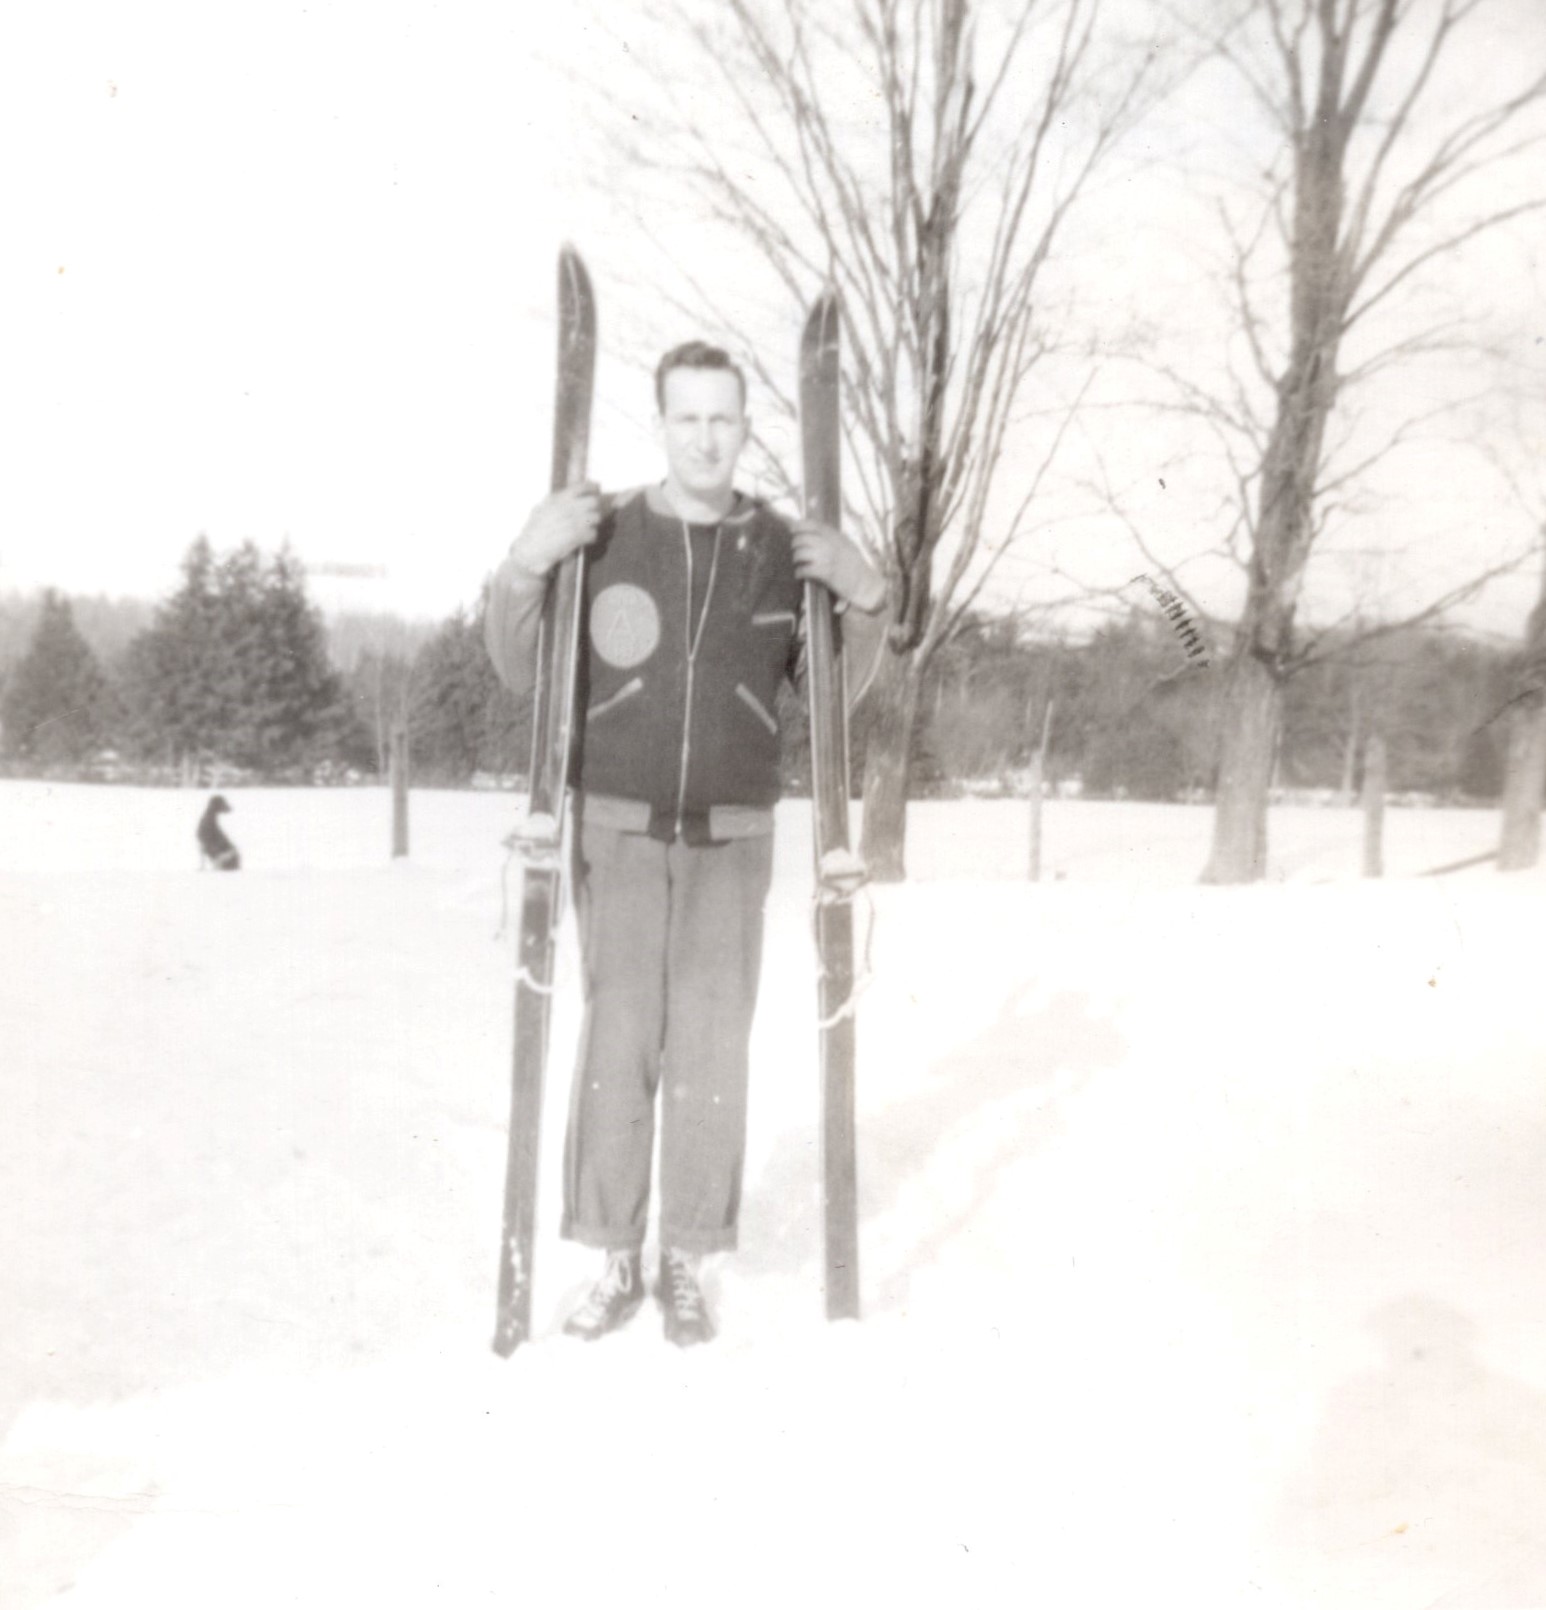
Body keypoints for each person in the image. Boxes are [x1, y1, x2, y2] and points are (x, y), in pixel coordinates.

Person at [484, 339, 885, 1346]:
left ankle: (685, 1255)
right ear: (661, 424)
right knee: (618, 1043)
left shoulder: (780, 547)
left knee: (710, 1050)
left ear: (745, 428)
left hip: (731, 837)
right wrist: (527, 560)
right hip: (616, 830)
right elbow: (519, 668)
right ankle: (614, 1253)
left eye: (722, 419)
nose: (705, 439)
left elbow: (838, 699)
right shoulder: (604, 534)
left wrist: (867, 596)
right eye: (687, 418)